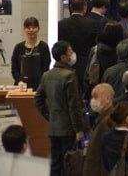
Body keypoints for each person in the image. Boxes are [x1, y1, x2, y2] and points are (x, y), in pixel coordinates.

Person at [34, 40, 87, 176]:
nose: (72, 54)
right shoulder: (69, 76)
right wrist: (79, 129)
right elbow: (73, 105)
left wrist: (49, 116)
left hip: (54, 127)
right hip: (69, 128)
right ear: (63, 57)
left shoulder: (46, 76)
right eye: (70, 51)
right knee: (70, 163)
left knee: (55, 164)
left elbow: (38, 99)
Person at [82, 83, 115, 176]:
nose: (93, 100)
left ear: (108, 99)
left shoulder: (109, 121)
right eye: (92, 97)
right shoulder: (101, 118)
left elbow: (107, 157)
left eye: (96, 97)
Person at [10, 17, 50, 89]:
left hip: (39, 86)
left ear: (38, 29)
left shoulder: (44, 46)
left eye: (34, 27)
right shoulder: (18, 47)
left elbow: (45, 68)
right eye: (28, 28)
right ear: (24, 29)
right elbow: (14, 69)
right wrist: (19, 81)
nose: (31, 30)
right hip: (21, 86)